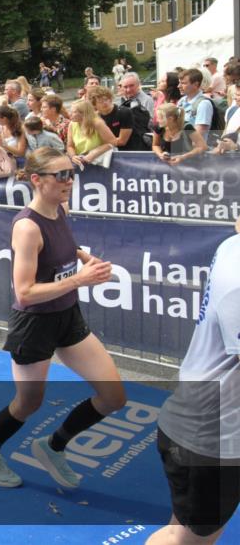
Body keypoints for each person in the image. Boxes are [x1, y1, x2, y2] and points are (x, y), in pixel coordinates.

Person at [0, 147, 126, 489]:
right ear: (37, 180)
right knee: (29, 403)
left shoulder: (61, 209)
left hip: (67, 315)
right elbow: (24, 292)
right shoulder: (26, 227)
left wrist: (84, 257)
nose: (69, 181)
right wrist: (80, 280)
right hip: (35, 324)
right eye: (62, 175)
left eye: (71, 173)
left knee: (114, 396)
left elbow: (64, 248)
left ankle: (54, 446)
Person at [147, 221, 240, 545]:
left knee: (182, 527)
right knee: (188, 537)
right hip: (211, 440)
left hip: (201, 427)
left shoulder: (231, 246)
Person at [66, 98, 117, 166]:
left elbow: (113, 142)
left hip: (100, 162)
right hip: (82, 162)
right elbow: (70, 146)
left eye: (74, 112)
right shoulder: (72, 124)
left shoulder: (97, 123)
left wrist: (94, 153)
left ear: (84, 113)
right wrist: (73, 156)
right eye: (70, 111)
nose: (70, 114)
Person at [179, 68, 217, 142]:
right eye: (179, 83)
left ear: (196, 84)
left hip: (194, 150)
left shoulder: (204, 104)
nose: (179, 86)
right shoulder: (181, 101)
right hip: (180, 146)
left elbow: (199, 134)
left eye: (183, 83)